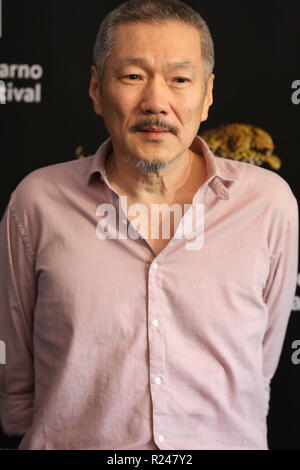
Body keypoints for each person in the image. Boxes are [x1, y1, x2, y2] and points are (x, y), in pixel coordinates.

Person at [0, 0, 298, 450]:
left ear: (208, 93)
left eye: (180, 79)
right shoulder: (37, 202)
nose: (156, 102)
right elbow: (15, 368)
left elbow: (261, 363)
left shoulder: (267, 204)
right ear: (97, 89)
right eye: (133, 77)